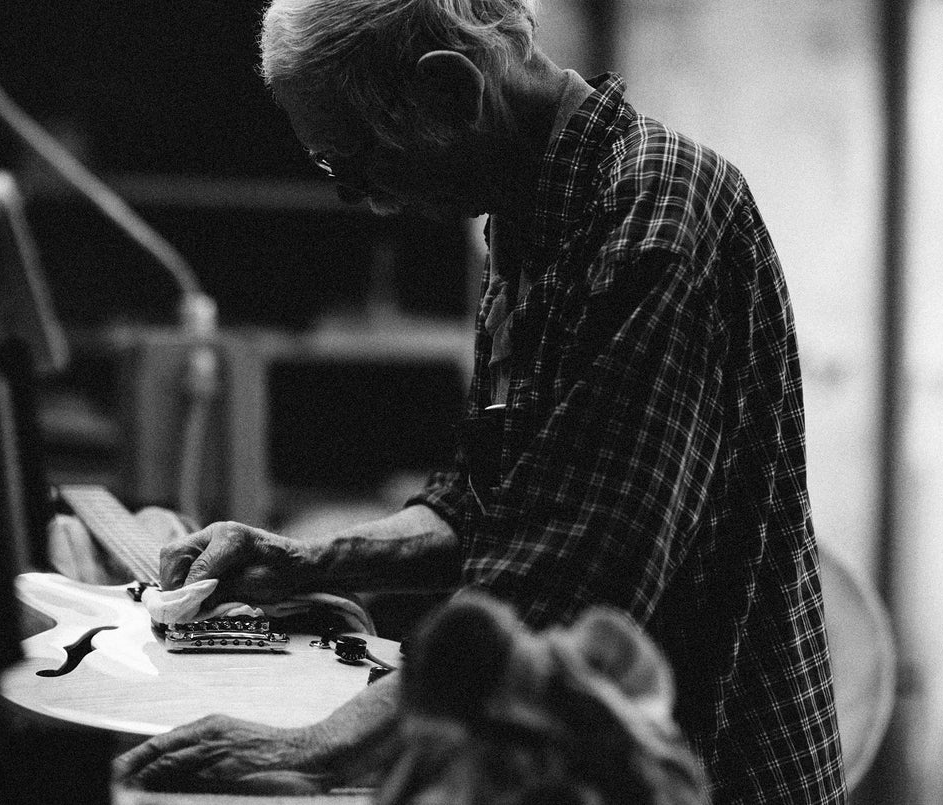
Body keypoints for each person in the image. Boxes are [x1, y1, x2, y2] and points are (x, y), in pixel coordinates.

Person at [111, 1, 846, 803]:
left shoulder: (656, 216)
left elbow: (565, 581)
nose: (356, 198)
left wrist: (317, 746)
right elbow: (484, 502)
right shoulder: (525, 218)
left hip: (703, 768)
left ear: (450, 91)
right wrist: (308, 562)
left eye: (352, 160)